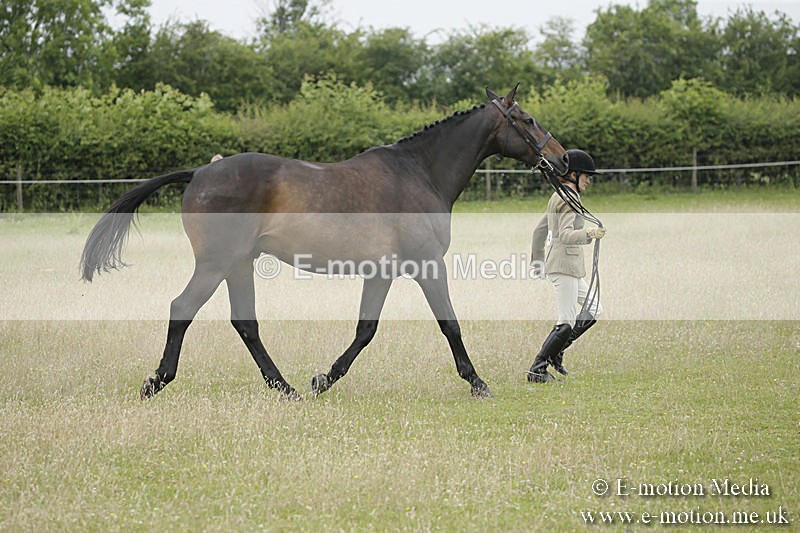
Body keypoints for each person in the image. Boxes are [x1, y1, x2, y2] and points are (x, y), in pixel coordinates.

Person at [528, 149, 606, 383]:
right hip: (564, 265)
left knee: (594, 309)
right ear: (573, 174)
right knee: (566, 321)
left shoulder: (557, 195)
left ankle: (556, 352)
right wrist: (590, 233)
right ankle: (537, 369)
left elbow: (539, 230)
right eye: (586, 176)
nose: (589, 181)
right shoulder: (569, 200)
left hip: (565, 265)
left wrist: (537, 259)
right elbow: (566, 235)